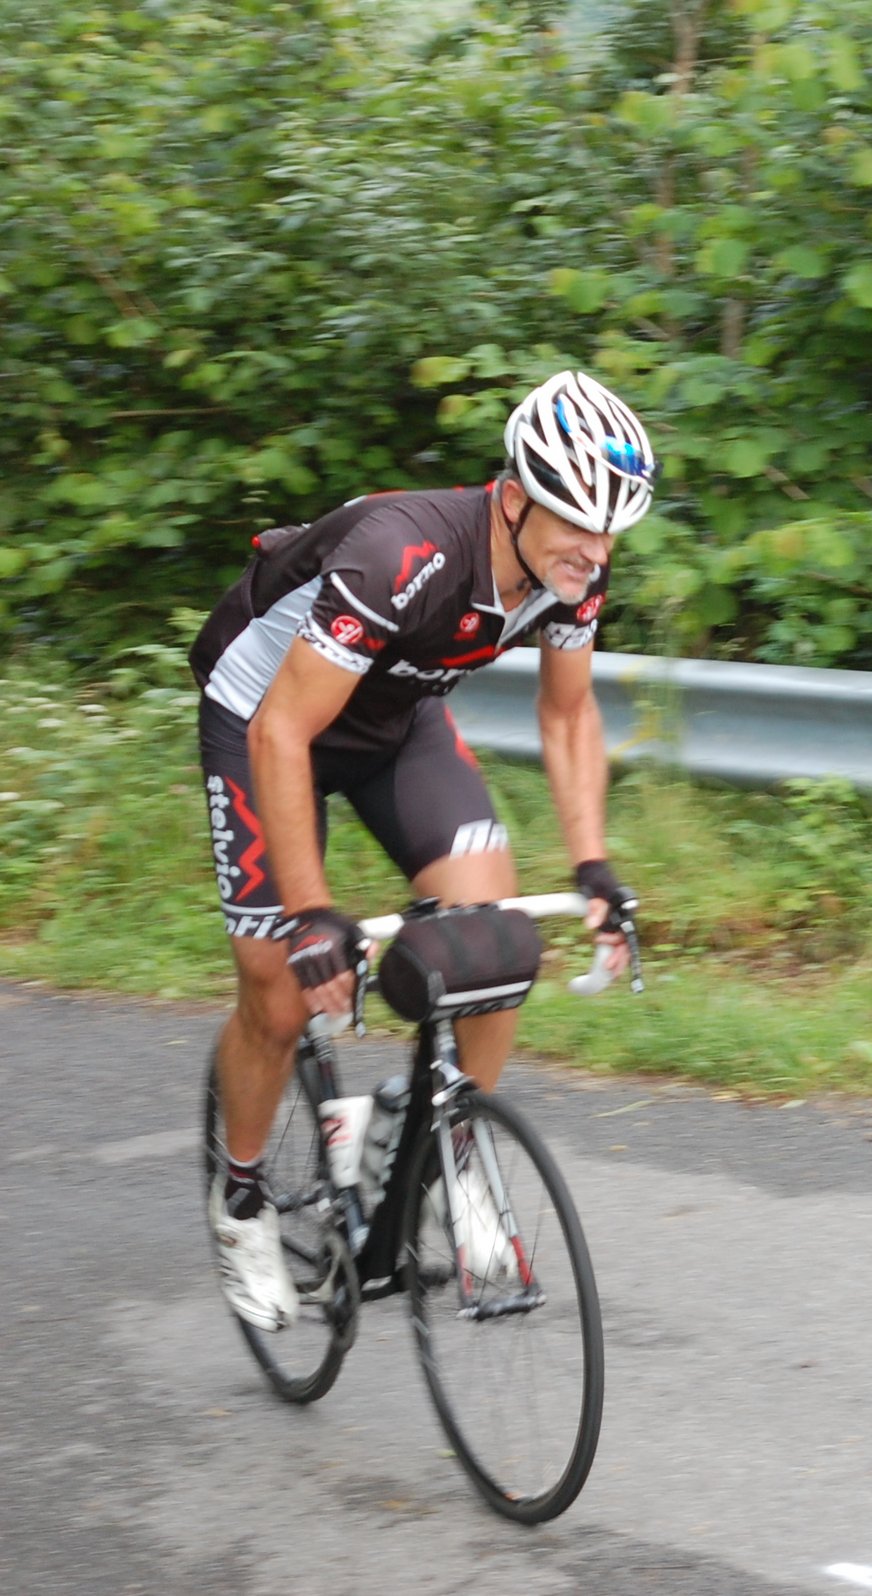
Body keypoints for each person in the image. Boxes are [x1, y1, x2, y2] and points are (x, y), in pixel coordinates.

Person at [189, 370, 652, 1330]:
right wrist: (310, 913)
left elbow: (568, 714)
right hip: (266, 718)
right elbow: (284, 730)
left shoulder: (572, 571)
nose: (597, 550)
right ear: (514, 500)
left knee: (491, 943)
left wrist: (593, 863)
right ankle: (241, 1200)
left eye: (612, 531)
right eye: (578, 523)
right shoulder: (402, 554)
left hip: (394, 723)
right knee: (279, 986)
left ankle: (444, 1150)